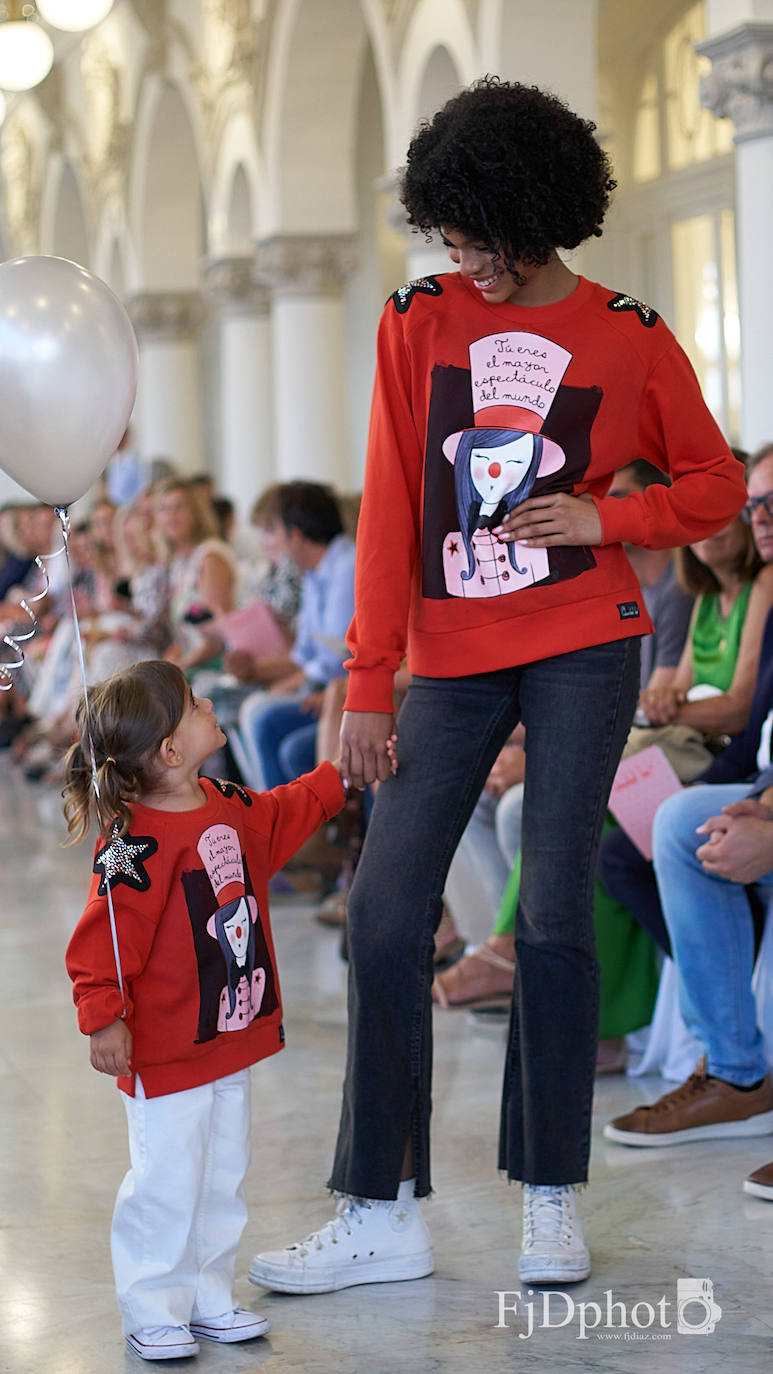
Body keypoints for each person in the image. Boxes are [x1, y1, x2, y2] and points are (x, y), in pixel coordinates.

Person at [247, 76, 747, 1292]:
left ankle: (549, 1198)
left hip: (584, 645)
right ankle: (379, 1208)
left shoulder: (626, 334)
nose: (463, 260)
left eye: (481, 237)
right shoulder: (414, 318)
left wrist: (604, 515)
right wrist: (368, 683)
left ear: (538, 218)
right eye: (449, 235)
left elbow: (717, 486)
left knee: (554, 914)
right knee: (380, 910)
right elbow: (389, 515)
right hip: (450, 662)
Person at [63, 660, 346, 1361]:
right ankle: (152, 1304)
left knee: (222, 1174)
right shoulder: (134, 843)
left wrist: (339, 779)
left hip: (230, 1035)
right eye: (193, 703)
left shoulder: (225, 802)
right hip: (163, 1050)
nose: (210, 702)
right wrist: (102, 1015)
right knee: (166, 1180)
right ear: (166, 751)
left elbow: (282, 815)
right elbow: (102, 937)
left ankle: (208, 1295)